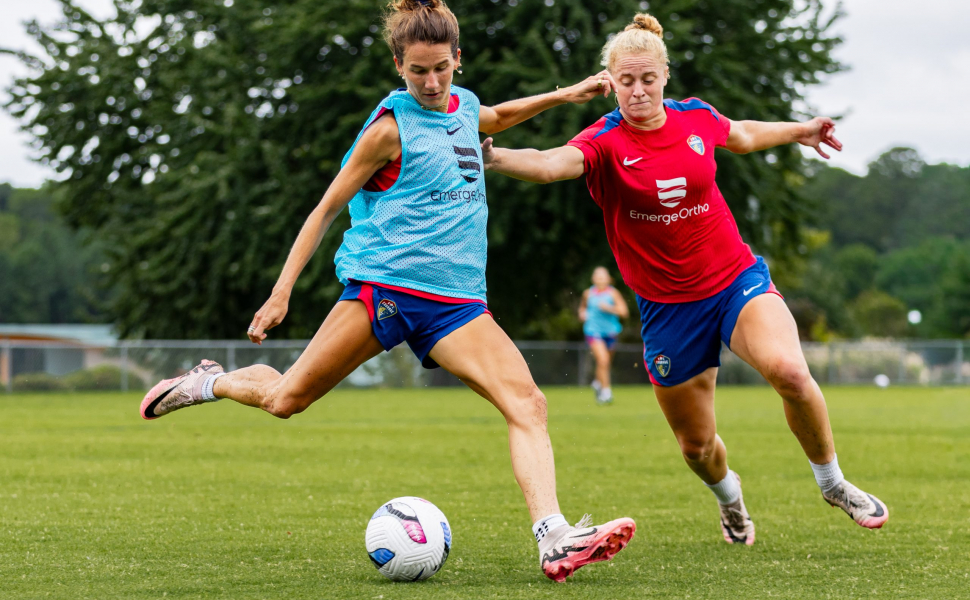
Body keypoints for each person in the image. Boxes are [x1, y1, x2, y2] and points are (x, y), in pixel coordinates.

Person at [138, 0, 635, 581]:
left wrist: (564, 94)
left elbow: (492, 116)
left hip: (455, 303)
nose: (431, 82)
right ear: (398, 63)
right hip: (384, 290)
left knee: (527, 402)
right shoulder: (387, 131)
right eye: (418, 70)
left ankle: (553, 539)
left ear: (457, 60)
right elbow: (324, 210)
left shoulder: (464, 104)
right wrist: (281, 294)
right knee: (285, 400)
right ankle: (210, 382)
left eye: (442, 69)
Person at [481, 13, 888, 546]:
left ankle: (833, 482)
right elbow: (553, 162)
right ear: (610, 82)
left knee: (789, 370)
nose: (638, 91)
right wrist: (495, 157)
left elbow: (740, 134)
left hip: (734, 280)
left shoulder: (694, 118)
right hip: (668, 308)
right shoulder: (603, 141)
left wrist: (802, 130)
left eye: (647, 78)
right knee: (697, 448)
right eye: (625, 81)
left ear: (665, 75)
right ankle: (730, 499)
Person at [578, 266, 628, 404]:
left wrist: (609, 308)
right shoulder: (588, 293)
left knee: (605, 363)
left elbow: (624, 312)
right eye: (597, 276)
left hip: (611, 332)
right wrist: (582, 313)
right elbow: (582, 307)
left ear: (608, 279)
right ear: (593, 279)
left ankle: (598, 382)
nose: (600, 279)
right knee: (603, 360)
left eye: (602, 276)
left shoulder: (613, 294)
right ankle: (606, 392)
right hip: (593, 331)